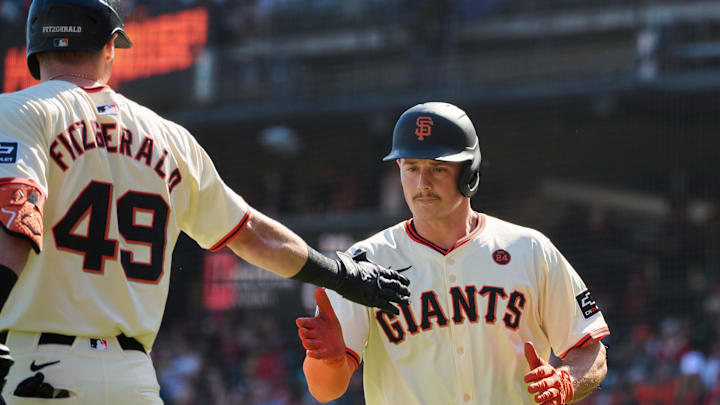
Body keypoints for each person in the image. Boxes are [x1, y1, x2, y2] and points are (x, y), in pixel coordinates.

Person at [0, 1, 410, 403]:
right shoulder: (170, 138)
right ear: (110, 46)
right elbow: (251, 235)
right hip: (133, 381)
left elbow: (15, 217)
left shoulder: (17, 111)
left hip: (34, 369)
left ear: (35, 48)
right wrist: (341, 274)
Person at [296, 102, 610, 404]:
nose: (422, 183)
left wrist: (566, 381)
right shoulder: (365, 262)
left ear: (469, 171)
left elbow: (590, 350)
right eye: (411, 168)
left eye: (438, 168)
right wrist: (330, 361)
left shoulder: (529, 250)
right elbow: (325, 391)